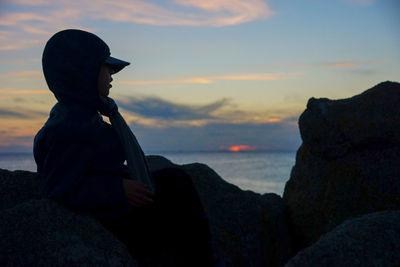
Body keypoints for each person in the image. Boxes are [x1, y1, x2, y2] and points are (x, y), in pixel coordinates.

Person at [34, 29, 213, 266]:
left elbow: (93, 165)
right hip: (107, 213)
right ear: (83, 73)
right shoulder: (71, 127)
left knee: (174, 180)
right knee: (175, 195)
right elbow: (59, 189)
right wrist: (117, 188)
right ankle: (203, 261)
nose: (112, 76)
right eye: (106, 69)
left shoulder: (85, 114)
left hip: (111, 200)